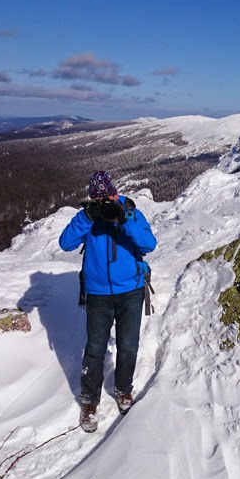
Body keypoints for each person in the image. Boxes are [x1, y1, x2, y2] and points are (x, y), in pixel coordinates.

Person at [59, 171, 157, 432]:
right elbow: (65, 243)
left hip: (131, 291)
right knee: (95, 348)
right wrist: (86, 217)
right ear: (92, 198)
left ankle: (124, 390)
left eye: (109, 196)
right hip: (98, 294)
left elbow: (149, 243)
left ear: (116, 191)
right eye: (99, 198)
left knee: (128, 345)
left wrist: (124, 220)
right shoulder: (89, 217)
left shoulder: (129, 210)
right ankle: (90, 401)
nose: (105, 201)